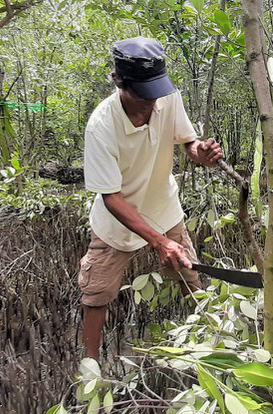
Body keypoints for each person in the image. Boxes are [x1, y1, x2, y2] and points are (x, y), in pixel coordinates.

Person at [78, 37, 223, 360]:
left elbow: (188, 142)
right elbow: (111, 198)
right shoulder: (101, 126)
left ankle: (213, 343)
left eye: (155, 94)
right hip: (116, 223)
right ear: (119, 82)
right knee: (96, 293)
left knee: (190, 276)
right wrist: (159, 243)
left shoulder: (166, 97)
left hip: (163, 208)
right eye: (142, 95)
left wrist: (203, 153)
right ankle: (89, 366)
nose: (150, 104)